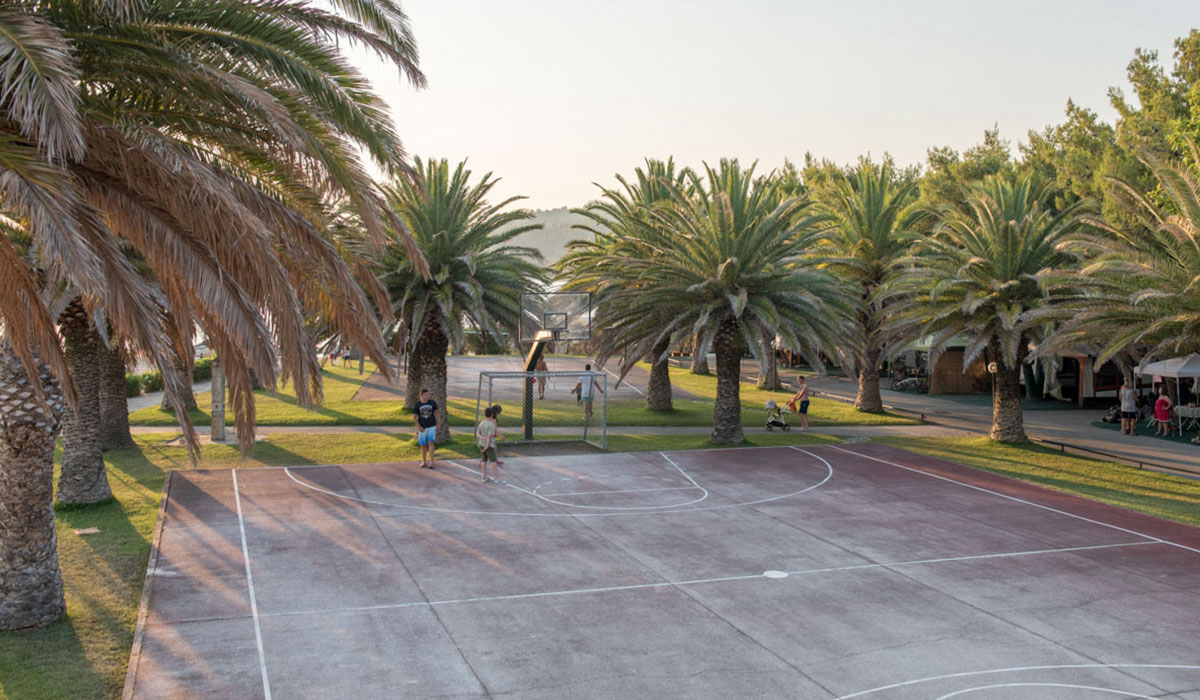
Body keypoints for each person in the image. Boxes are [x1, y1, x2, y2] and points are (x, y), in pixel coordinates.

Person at [412, 388, 442, 468]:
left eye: (428, 394)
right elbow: (414, 417)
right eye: (425, 395)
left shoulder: (432, 403)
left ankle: (432, 462)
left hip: (432, 426)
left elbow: (437, 413)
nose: (427, 396)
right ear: (421, 395)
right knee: (423, 445)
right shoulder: (417, 405)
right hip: (422, 428)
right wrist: (419, 427)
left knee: (431, 443)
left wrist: (439, 423)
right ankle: (424, 461)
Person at [476, 406, 501, 482]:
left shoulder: (482, 423)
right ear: (492, 414)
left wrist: (483, 438)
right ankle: (496, 479)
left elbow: (478, 434)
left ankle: (484, 477)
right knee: (493, 461)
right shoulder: (491, 425)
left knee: (483, 461)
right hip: (488, 446)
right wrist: (487, 446)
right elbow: (489, 437)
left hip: (481, 444)